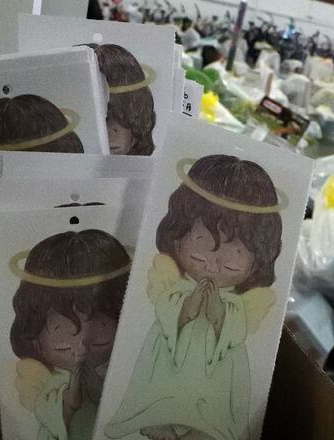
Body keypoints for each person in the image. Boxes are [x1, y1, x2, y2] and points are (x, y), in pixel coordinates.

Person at [105, 154, 285, 440]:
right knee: (160, 376)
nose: (215, 262)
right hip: (168, 349)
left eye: (234, 254)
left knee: (217, 392)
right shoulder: (176, 285)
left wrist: (219, 316)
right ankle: (159, 416)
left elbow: (237, 332)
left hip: (221, 360)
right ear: (177, 236)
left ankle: (205, 427)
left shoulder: (238, 303)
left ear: (258, 258)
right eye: (203, 243)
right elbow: (164, 308)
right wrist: (186, 309)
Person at [10, 229, 131, 440]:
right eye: (61, 329)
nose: (82, 344)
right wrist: (69, 400)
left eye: (102, 324)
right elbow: (45, 411)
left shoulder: (126, 372)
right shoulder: (51, 382)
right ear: (33, 331)